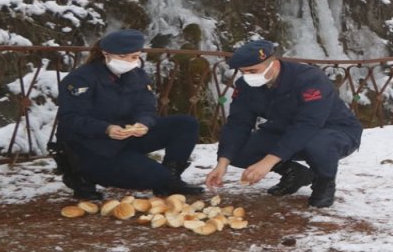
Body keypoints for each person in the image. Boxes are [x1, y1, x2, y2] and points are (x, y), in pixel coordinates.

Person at [205, 40, 362, 208]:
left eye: (253, 71)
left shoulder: (309, 79)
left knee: (317, 144)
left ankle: (324, 181)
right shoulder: (246, 86)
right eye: (243, 72)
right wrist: (222, 163)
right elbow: (237, 123)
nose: (248, 76)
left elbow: (308, 124)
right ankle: (294, 173)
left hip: (333, 130)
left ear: (273, 64)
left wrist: (268, 161)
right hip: (284, 129)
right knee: (236, 150)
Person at [51, 29, 204, 200]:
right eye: (123, 57)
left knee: (186, 124)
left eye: (135, 57)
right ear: (105, 53)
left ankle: (172, 180)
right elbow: (70, 119)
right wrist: (106, 129)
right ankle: (81, 176)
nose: (130, 62)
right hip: (92, 146)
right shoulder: (80, 79)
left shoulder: (137, 75)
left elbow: (146, 107)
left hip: (128, 138)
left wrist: (143, 123)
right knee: (157, 177)